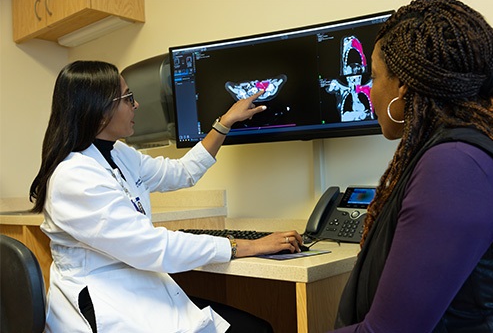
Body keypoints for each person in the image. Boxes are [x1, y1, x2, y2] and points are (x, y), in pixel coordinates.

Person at [29, 60, 304, 332]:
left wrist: (224, 123)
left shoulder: (117, 154)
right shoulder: (74, 177)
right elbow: (153, 248)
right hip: (106, 305)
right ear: (99, 109)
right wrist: (244, 246)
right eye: (128, 98)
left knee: (255, 327)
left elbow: (180, 172)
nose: (136, 105)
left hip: (138, 290)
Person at [333, 0, 493, 332]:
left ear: (402, 87)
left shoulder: (456, 166)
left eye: (374, 76)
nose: (367, 89)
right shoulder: (470, 149)